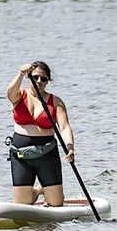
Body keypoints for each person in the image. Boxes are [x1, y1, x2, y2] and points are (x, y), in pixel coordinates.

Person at [5, 61, 75, 206]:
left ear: (48, 81)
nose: (39, 81)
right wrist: (20, 74)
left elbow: (64, 127)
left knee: (56, 203)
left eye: (43, 79)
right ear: (29, 77)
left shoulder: (55, 101)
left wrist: (70, 147)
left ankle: (50, 192)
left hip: (47, 154)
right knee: (23, 204)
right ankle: (38, 191)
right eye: (35, 77)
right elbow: (9, 93)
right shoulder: (20, 95)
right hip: (21, 155)